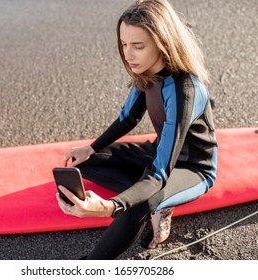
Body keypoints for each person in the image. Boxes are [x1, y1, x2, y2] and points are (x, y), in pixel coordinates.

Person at [56, 0, 218, 259]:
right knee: (83, 162)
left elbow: (160, 172)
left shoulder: (184, 89)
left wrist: (111, 206)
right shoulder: (145, 72)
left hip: (192, 168)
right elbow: (127, 120)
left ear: (162, 43)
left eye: (138, 46)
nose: (128, 55)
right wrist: (91, 147)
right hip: (158, 153)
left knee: (140, 202)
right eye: (124, 44)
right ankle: (152, 200)